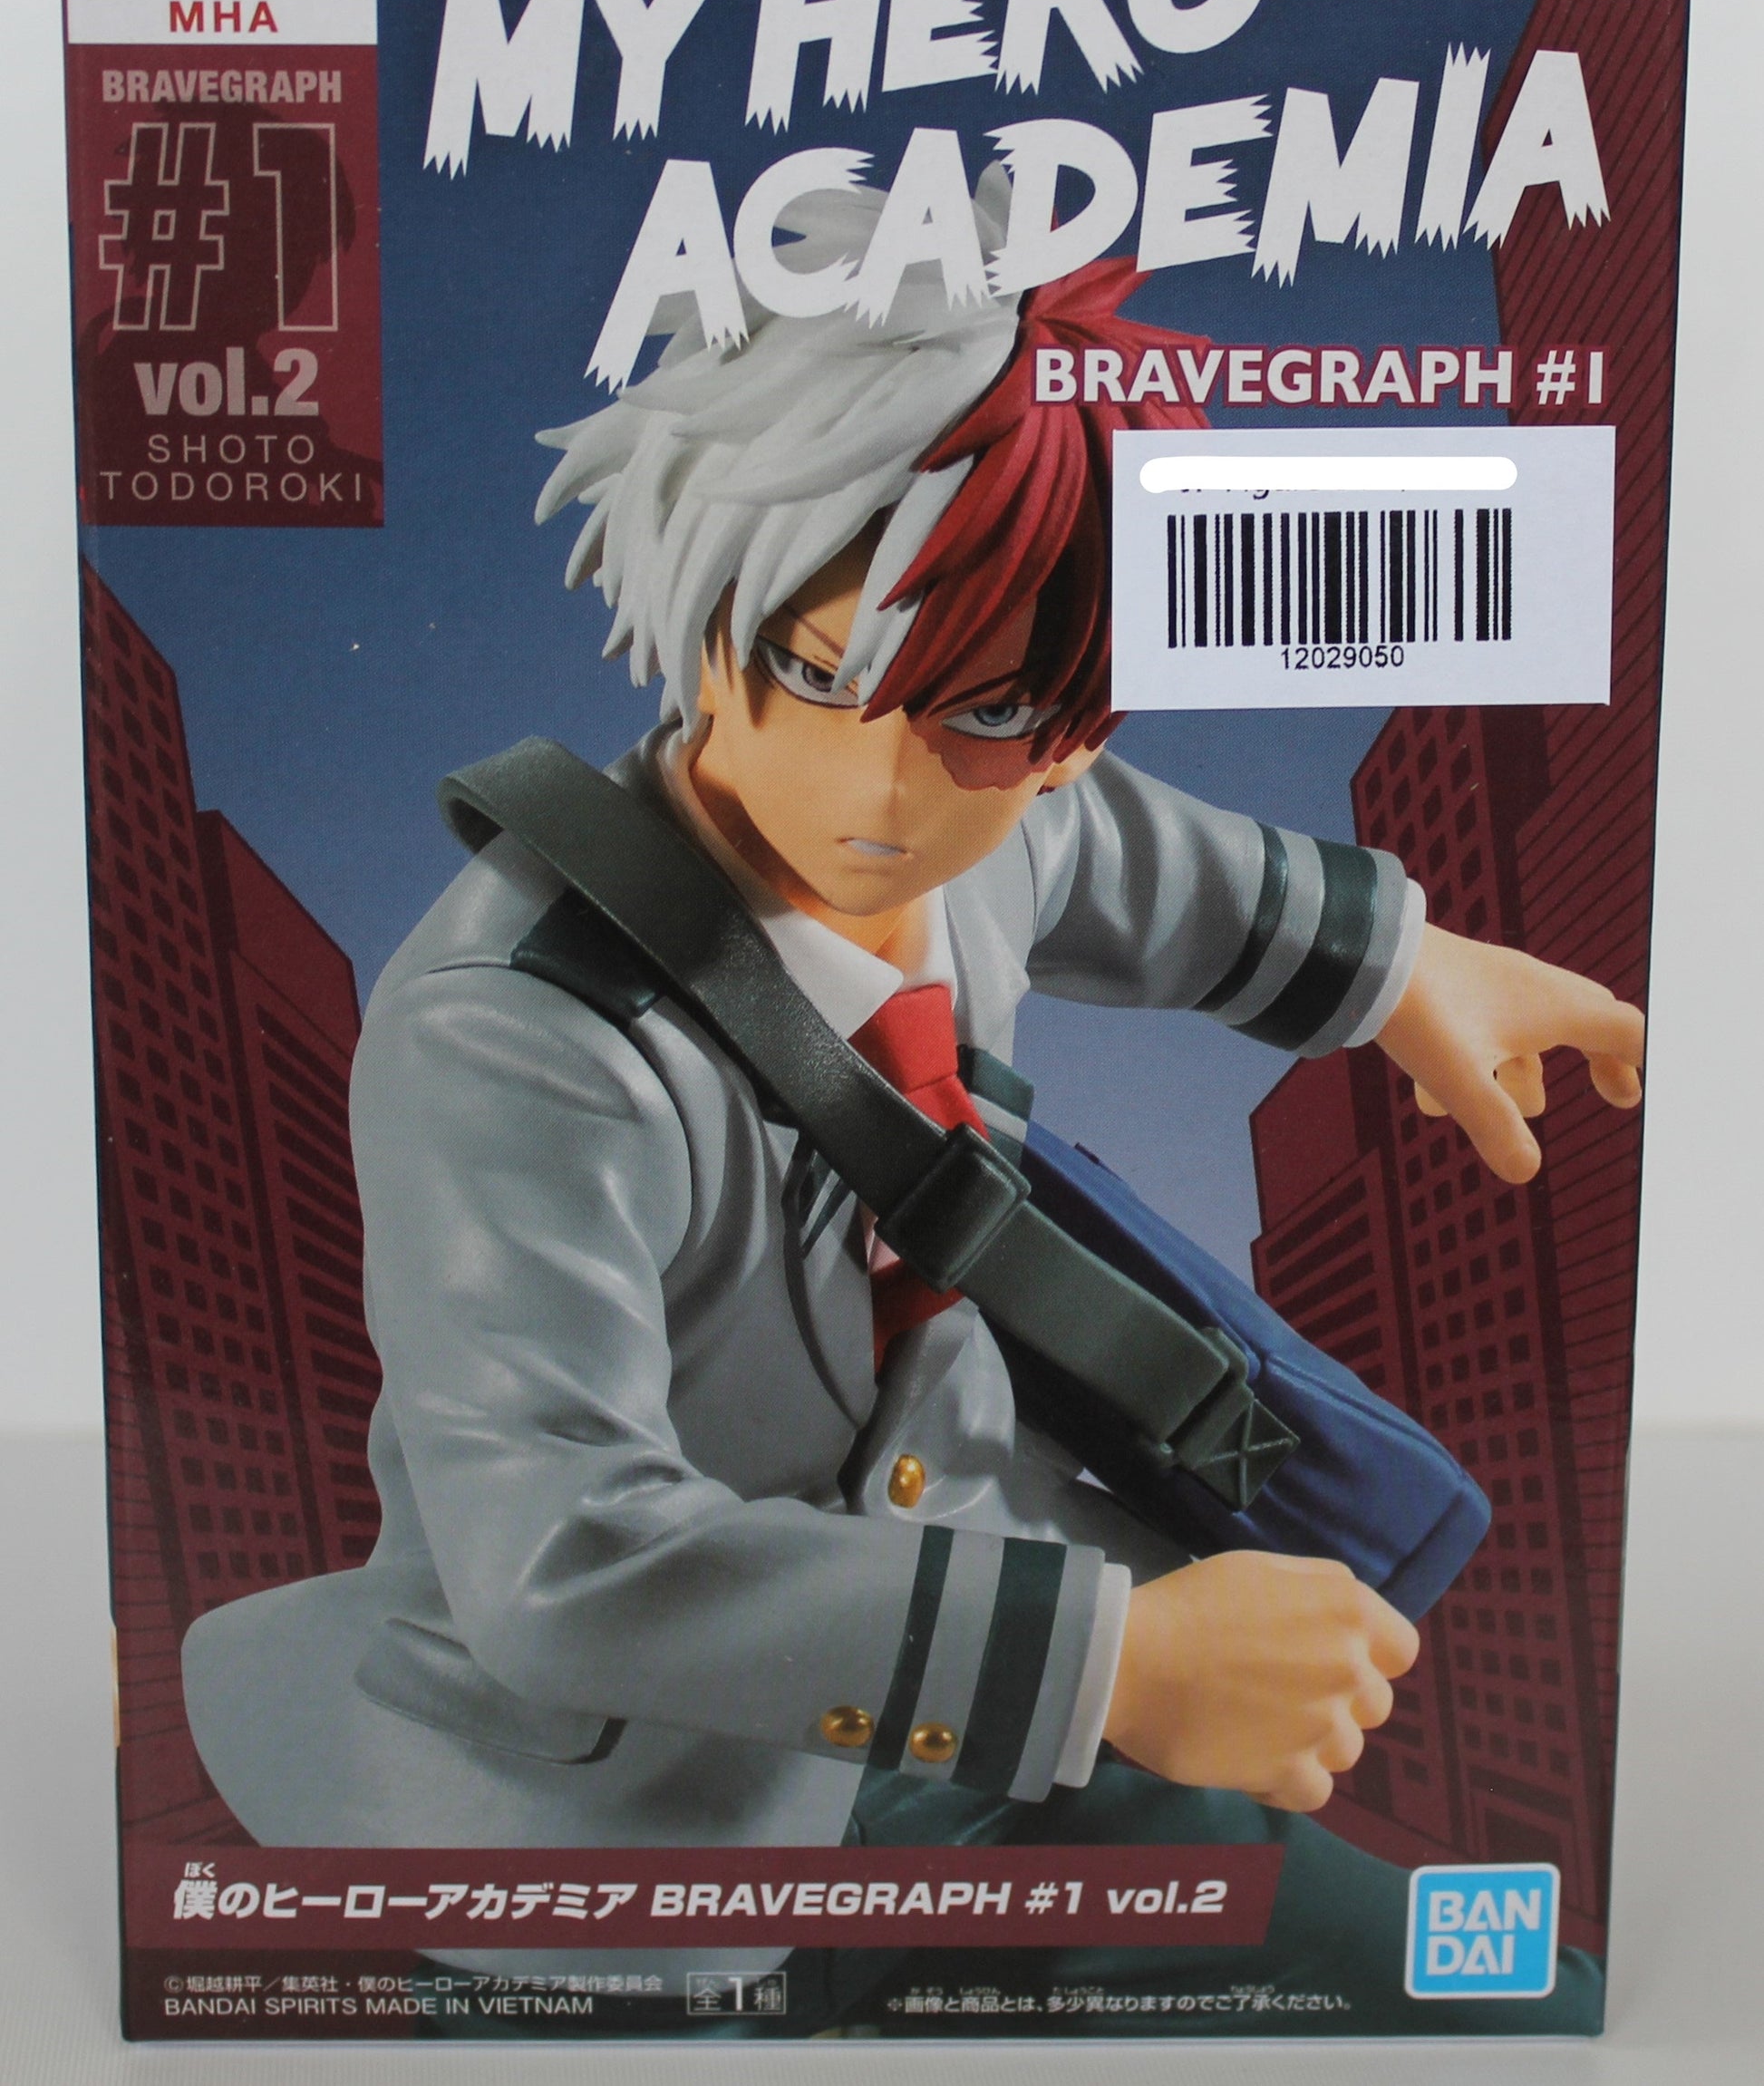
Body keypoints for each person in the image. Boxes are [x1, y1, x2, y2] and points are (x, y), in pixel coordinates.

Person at [183, 180, 1641, 2033]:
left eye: (985, 712)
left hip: (968, 1707)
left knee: (1511, 2011)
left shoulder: (992, 831)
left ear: (1070, 727)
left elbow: (1119, 854)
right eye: (814, 666)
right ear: (708, 608)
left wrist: (1396, 963)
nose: (873, 784)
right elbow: (563, 1559)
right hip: (613, 1838)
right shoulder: (519, 1032)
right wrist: (1110, 1659)